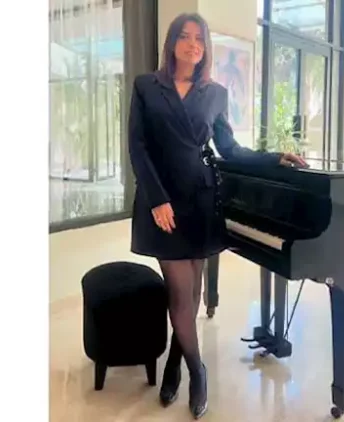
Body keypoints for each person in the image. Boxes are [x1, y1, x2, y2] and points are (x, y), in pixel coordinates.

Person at [127, 12, 307, 420]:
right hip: (163, 204)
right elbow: (138, 147)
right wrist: (157, 200)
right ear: (172, 42)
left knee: (191, 295)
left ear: (205, 48)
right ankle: (198, 370)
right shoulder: (146, 86)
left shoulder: (215, 93)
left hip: (201, 200)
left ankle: (175, 364)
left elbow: (230, 149)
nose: (193, 44)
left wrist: (273, 158)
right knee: (179, 292)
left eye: (199, 39)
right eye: (185, 36)